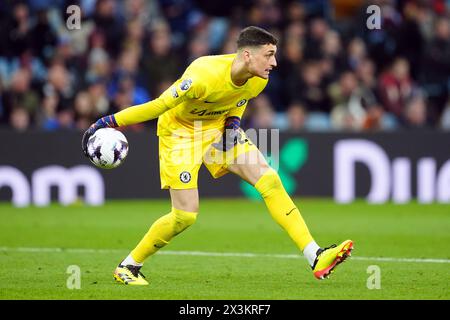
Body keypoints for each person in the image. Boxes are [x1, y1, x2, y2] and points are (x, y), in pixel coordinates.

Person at [81, 26, 353, 285]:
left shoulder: (259, 79)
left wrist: (233, 123)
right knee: (185, 216)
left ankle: (315, 255)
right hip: (179, 134)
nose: (275, 62)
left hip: (216, 130)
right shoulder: (202, 75)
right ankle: (129, 266)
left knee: (269, 180)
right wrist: (106, 122)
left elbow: (237, 101)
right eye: (269, 55)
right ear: (248, 55)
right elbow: (158, 106)